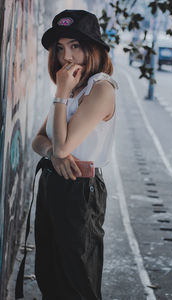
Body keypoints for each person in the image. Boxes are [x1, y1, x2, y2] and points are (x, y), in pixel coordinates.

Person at [15, 9, 118, 300]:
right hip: (53, 184)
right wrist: (55, 155)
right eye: (60, 48)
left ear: (93, 48)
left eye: (75, 46)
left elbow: (62, 146)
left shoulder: (100, 89)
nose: (66, 57)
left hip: (81, 189)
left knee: (77, 280)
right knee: (49, 273)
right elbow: (39, 140)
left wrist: (60, 93)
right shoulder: (73, 89)